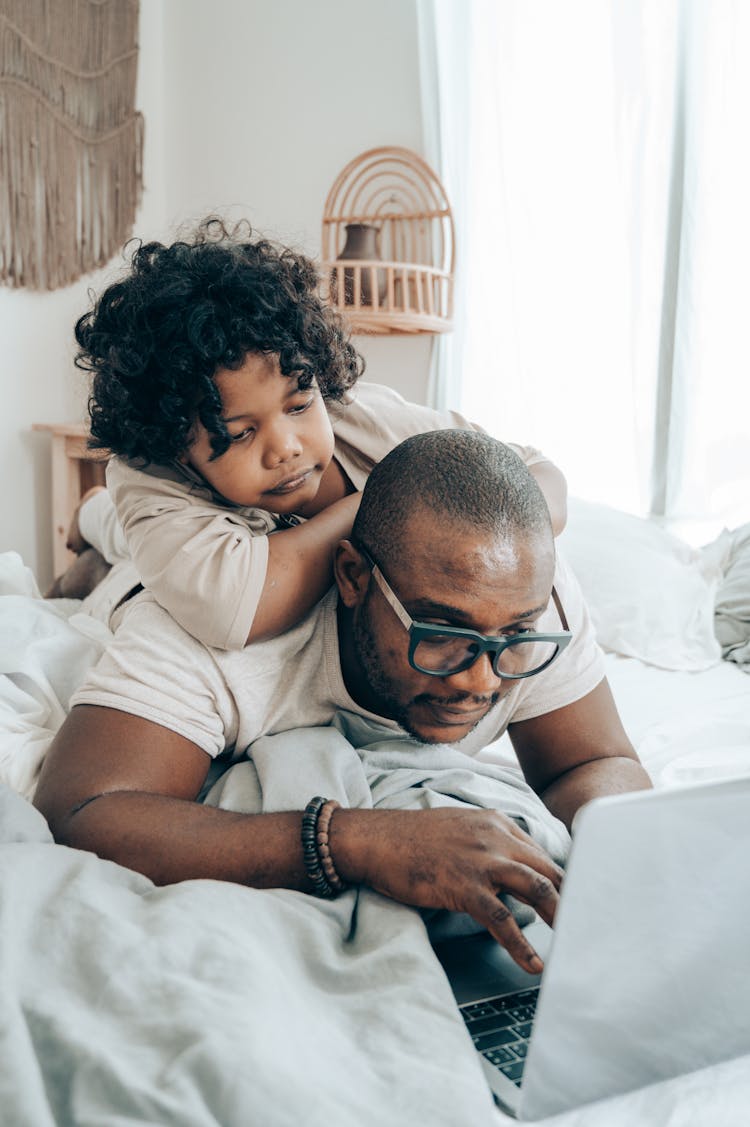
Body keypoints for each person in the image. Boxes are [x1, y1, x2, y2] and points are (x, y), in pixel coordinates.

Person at [34, 430, 650, 974]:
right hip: (143, 581)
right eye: (439, 635)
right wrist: (358, 842)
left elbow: (592, 762)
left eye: (513, 639)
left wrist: (614, 862)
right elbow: (83, 808)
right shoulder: (211, 630)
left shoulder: (524, 594)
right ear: (354, 577)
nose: (480, 684)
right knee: (109, 566)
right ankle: (95, 519)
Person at [61, 217, 567, 648]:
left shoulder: (363, 418)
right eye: (238, 434)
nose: (285, 447)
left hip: (173, 542)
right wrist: (376, 509)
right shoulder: (150, 475)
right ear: (176, 446)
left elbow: (540, 478)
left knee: (121, 538)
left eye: (301, 405)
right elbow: (233, 611)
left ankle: (94, 515)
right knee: (112, 572)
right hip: (167, 549)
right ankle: (94, 516)